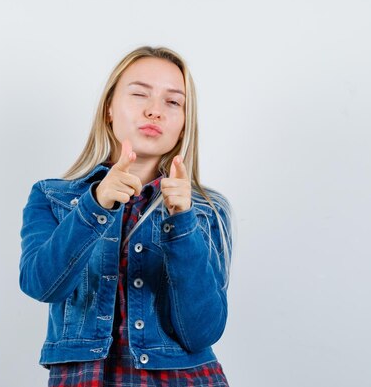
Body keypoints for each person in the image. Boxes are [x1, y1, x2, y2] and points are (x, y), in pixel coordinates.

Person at [18, 45, 235, 386]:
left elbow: (202, 331)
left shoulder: (207, 210)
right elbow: (41, 285)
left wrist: (181, 224)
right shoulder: (52, 196)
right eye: (139, 95)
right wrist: (95, 205)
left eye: (173, 102)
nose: (155, 111)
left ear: (183, 124)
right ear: (109, 109)